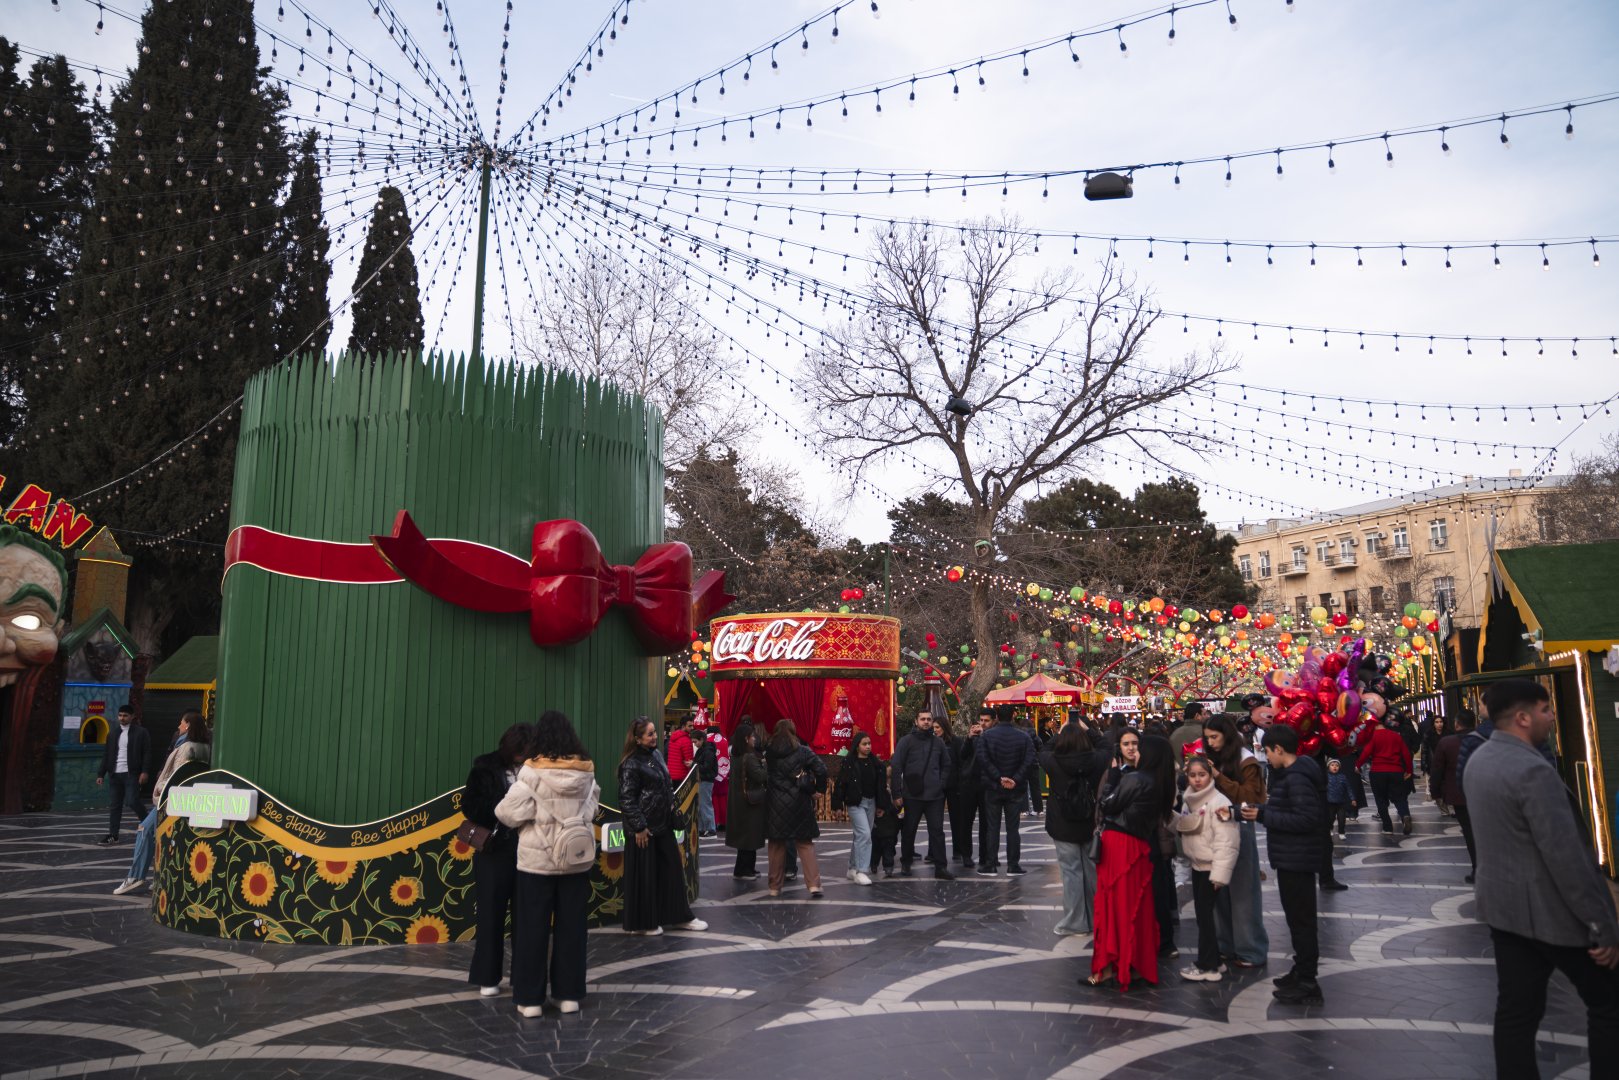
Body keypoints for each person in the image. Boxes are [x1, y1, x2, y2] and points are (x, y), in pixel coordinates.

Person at [1464, 678, 1619, 1078]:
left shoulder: (1480, 759)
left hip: (1503, 910)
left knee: (1516, 1012)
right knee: (1607, 1003)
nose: (1551, 717)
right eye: (1546, 710)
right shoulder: (1533, 770)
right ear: (1523, 717)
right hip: (1552, 917)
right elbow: (1566, 857)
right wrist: (1602, 926)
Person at [495, 711, 601, 1018]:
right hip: (575, 862)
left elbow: (506, 813)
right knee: (573, 929)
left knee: (532, 929)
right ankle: (568, 996)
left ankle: (530, 1000)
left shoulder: (530, 772)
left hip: (536, 864)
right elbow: (591, 810)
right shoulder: (586, 771)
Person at [1243, 724, 1328, 1005]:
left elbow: (1306, 819)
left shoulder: (1297, 778)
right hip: (1292, 857)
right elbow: (1289, 810)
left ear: (1278, 749)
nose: (1267, 757)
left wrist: (1265, 817)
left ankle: (1307, 979)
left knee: (1302, 921)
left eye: (1267, 751)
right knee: (1296, 919)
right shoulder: (1292, 775)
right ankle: (1301, 969)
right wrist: (1261, 811)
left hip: (1298, 858)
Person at [1085, 735, 1174, 990]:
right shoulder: (1158, 781)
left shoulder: (1135, 778)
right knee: (1135, 906)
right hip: (1138, 845)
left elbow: (1107, 804)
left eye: (1140, 747)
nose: (1135, 751)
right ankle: (1132, 963)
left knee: (1114, 905)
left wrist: (1113, 779)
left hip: (1120, 845)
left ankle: (1111, 966)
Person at [618, 717, 707, 935]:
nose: (655, 736)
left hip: (662, 824)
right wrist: (638, 826)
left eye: (655, 732)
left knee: (672, 872)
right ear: (638, 739)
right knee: (645, 877)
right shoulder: (630, 763)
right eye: (649, 734)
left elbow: (665, 787)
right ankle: (645, 923)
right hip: (644, 830)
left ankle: (679, 917)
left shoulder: (656, 755)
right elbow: (626, 798)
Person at [113, 711, 211, 895]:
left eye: (181, 722)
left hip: (170, 798)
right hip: (186, 798)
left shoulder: (186, 747)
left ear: (188, 725)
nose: (178, 726)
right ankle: (160, 876)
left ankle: (135, 876)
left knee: (145, 829)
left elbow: (179, 774)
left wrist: (161, 788)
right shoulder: (203, 746)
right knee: (168, 837)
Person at [1203, 713, 1270, 970]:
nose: (1210, 743)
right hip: (1211, 828)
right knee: (1217, 889)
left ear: (1227, 735)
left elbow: (1250, 796)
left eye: (1214, 737)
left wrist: (1218, 776)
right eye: (1207, 738)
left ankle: (1250, 949)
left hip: (1239, 826)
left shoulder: (1246, 761)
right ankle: (1225, 946)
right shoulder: (1208, 757)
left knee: (1243, 891)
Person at [1176, 755, 1240, 981]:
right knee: (1203, 916)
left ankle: (1208, 965)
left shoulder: (1219, 801)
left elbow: (1227, 841)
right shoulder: (1188, 799)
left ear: (1210, 774)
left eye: (1201, 775)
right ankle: (1214, 960)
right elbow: (1187, 825)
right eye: (1192, 775)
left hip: (1211, 868)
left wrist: (1220, 874)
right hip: (1198, 865)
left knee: (1205, 917)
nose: (1197, 780)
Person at [1042, 719, 1104, 936]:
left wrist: (1060, 732)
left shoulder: (1053, 762)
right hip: (1090, 823)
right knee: (1092, 872)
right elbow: (1107, 746)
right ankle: (1098, 918)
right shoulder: (1096, 760)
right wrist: (1091, 731)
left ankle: (1075, 922)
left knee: (1070, 874)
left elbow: (1043, 748)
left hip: (1063, 824)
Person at [765, 719, 828, 897]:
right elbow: (821, 769)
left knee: (776, 845)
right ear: (793, 731)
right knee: (805, 843)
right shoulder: (802, 751)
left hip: (775, 803)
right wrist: (819, 790)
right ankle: (814, 884)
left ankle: (774, 887)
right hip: (799, 802)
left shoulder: (769, 751)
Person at [889, 711, 956, 879]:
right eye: (923, 719)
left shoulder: (938, 742)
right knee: (909, 831)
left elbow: (947, 765)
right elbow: (896, 767)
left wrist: (940, 784)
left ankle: (941, 867)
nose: (926, 722)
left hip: (935, 796)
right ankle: (906, 862)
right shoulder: (906, 741)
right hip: (912, 795)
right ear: (916, 721)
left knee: (937, 832)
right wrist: (897, 793)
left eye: (928, 719)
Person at [978, 704, 1036, 876]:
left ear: (996, 717)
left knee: (992, 827)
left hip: (993, 787)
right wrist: (1015, 779)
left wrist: (998, 777)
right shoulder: (1024, 737)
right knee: (1013, 828)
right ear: (1013, 716)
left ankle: (990, 864)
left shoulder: (987, 736)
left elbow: (983, 759)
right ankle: (1013, 865)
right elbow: (1029, 760)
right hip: (1015, 789)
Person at [833, 729, 889, 886]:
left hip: (871, 802)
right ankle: (861, 871)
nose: (868, 746)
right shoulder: (849, 763)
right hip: (855, 803)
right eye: (864, 744)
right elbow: (840, 785)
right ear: (857, 746)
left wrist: (881, 804)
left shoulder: (876, 764)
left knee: (861, 835)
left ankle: (851, 868)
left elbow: (881, 786)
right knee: (864, 834)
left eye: (869, 743)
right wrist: (837, 805)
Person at [1429, 710, 1476, 881]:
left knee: (1469, 831)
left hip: (1459, 794)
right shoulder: (1484, 740)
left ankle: (1477, 868)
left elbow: (1437, 770)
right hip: (1484, 793)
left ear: (1456, 724)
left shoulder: (1447, 743)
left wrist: (1435, 792)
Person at [96, 704, 152, 844]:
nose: (122, 718)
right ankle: (113, 835)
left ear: (132, 717)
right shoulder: (113, 733)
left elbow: (147, 753)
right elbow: (107, 754)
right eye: (120, 715)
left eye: (125, 715)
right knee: (115, 805)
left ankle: (149, 824)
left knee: (132, 801)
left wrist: (144, 771)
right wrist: (101, 774)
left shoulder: (141, 732)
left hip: (131, 774)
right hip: (114, 774)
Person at [1357, 713, 1414, 835]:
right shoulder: (1396, 736)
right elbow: (1406, 754)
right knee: (1400, 797)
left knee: (1380, 799)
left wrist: (1358, 765)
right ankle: (1405, 815)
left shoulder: (1373, 736)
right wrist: (1409, 770)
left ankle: (1387, 827)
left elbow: (1366, 752)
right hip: (1396, 771)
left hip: (1378, 771)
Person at [725, 720, 766, 880]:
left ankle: (744, 868)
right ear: (746, 739)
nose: (754, 739)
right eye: (752, 736)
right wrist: (765, 765)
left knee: (744, 837)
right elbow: (761, 776)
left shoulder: (736, 755)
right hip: (749, 802)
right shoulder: (749, 757)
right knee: (750, 836)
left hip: (738, 800)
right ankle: (745, 870)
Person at [947, 711, 987, 869]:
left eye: (986, 721)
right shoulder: (969, 739)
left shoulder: (989, 737)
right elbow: (963, 755)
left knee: (986, 824)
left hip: (985, 784)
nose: (982, 724)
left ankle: (985, 855)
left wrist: (983, 736)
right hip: (968, 785)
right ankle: (966, 855)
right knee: (966, 822)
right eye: (980, 721)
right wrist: (969, 738)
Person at [693, 719, 720, 838]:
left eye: (695, 742)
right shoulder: (705, 750)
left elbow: (707, 767)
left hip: (706, 780)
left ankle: (710, 829)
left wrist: (694, 765)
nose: (694, 744)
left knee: (705, 804)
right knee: (703, 804)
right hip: (704, 779)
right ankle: (704, 829)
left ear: (702, 739)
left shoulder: (706, 752)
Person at [1325, 757, 1354, 840]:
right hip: (1330, 802)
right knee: (1330, 818)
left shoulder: (1343, 777)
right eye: (1332, 765)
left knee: (1342, 819)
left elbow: (1349, 788)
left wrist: (1353, 799)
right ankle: (1330, 829)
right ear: (1328, 766)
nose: (1335, 767)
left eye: (1337, 765)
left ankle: (1341, 832)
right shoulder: (1325, 777)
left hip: (1341, 803)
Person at [666, 715, 698, 786]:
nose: (692, 728)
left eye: (692, 725)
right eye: (689, 726)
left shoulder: (673, 738)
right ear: (683, 726)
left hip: (671, 773)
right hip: (682, 775)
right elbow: (689, 762)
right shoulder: (686, 740)